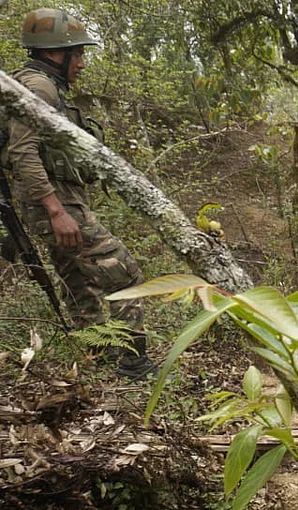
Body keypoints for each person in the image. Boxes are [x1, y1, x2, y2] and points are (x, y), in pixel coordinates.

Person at [4, 8, 155, 379]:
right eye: (79, 54)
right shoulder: (38, 87)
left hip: (54, 201)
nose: (83, 64)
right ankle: (134, 364)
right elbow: (23, 152)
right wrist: (57, 211)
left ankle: (98, 357)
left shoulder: (37, 84)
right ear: (57, 54)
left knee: (79, 281)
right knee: (123, 274)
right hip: (56, 203)